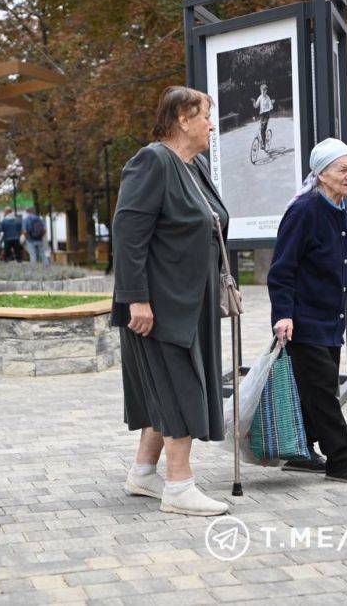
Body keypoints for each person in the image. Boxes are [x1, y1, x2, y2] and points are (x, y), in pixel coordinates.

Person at [111, 86, 230, 516]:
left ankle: (144, 473)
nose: (211, 125)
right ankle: (179, 487)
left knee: (169, 386)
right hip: (160, 305)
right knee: (182, 388)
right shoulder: (153, 161)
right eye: (205, 116)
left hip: (189, 301)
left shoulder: (192, 166)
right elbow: (128, 234)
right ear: (182, 117)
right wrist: (136, 300)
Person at [267, 138, 347, 485]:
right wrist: (283, 314)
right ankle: (340, 459)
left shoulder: (341, 213)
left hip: (330, 320)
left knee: (318, 390)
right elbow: (282, 270)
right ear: (322, 173)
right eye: (343, 169)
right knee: (324, 391)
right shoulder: (304, 211)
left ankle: (302, 451)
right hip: (303, 320)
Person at [251, 83, 275, 150]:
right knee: (261, 129)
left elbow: (270, 105)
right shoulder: (260, 97)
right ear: (260, 91)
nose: (263, 92)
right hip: (261, 115)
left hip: (266, 115)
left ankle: (264, 145)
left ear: (266, 91)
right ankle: (262, 141)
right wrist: (254, 102)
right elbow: (256, 106)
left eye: (264, 91)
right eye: (261, 91)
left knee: (262, 129)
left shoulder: (268, 97)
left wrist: (271, 107)